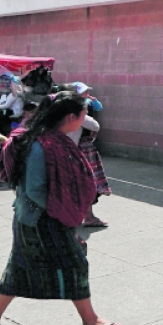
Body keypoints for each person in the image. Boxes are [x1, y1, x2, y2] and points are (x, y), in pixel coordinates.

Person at [0, 92, 122, 325]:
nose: (85, 119)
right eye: (84, 114)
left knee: (19, 270)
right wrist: (63, 213)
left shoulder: (50, 139)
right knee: (75, 264)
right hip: (42, 219)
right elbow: (35, 189)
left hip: (31, 218)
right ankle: (90, 321)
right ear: (71, 116)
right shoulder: (42, 144)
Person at [56, 83, 110, 227]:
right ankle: (88, 217)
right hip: (76, 151)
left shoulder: (51, 110)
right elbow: (95, 126)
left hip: (58, 151)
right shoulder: (75, 111)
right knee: (86, 184)